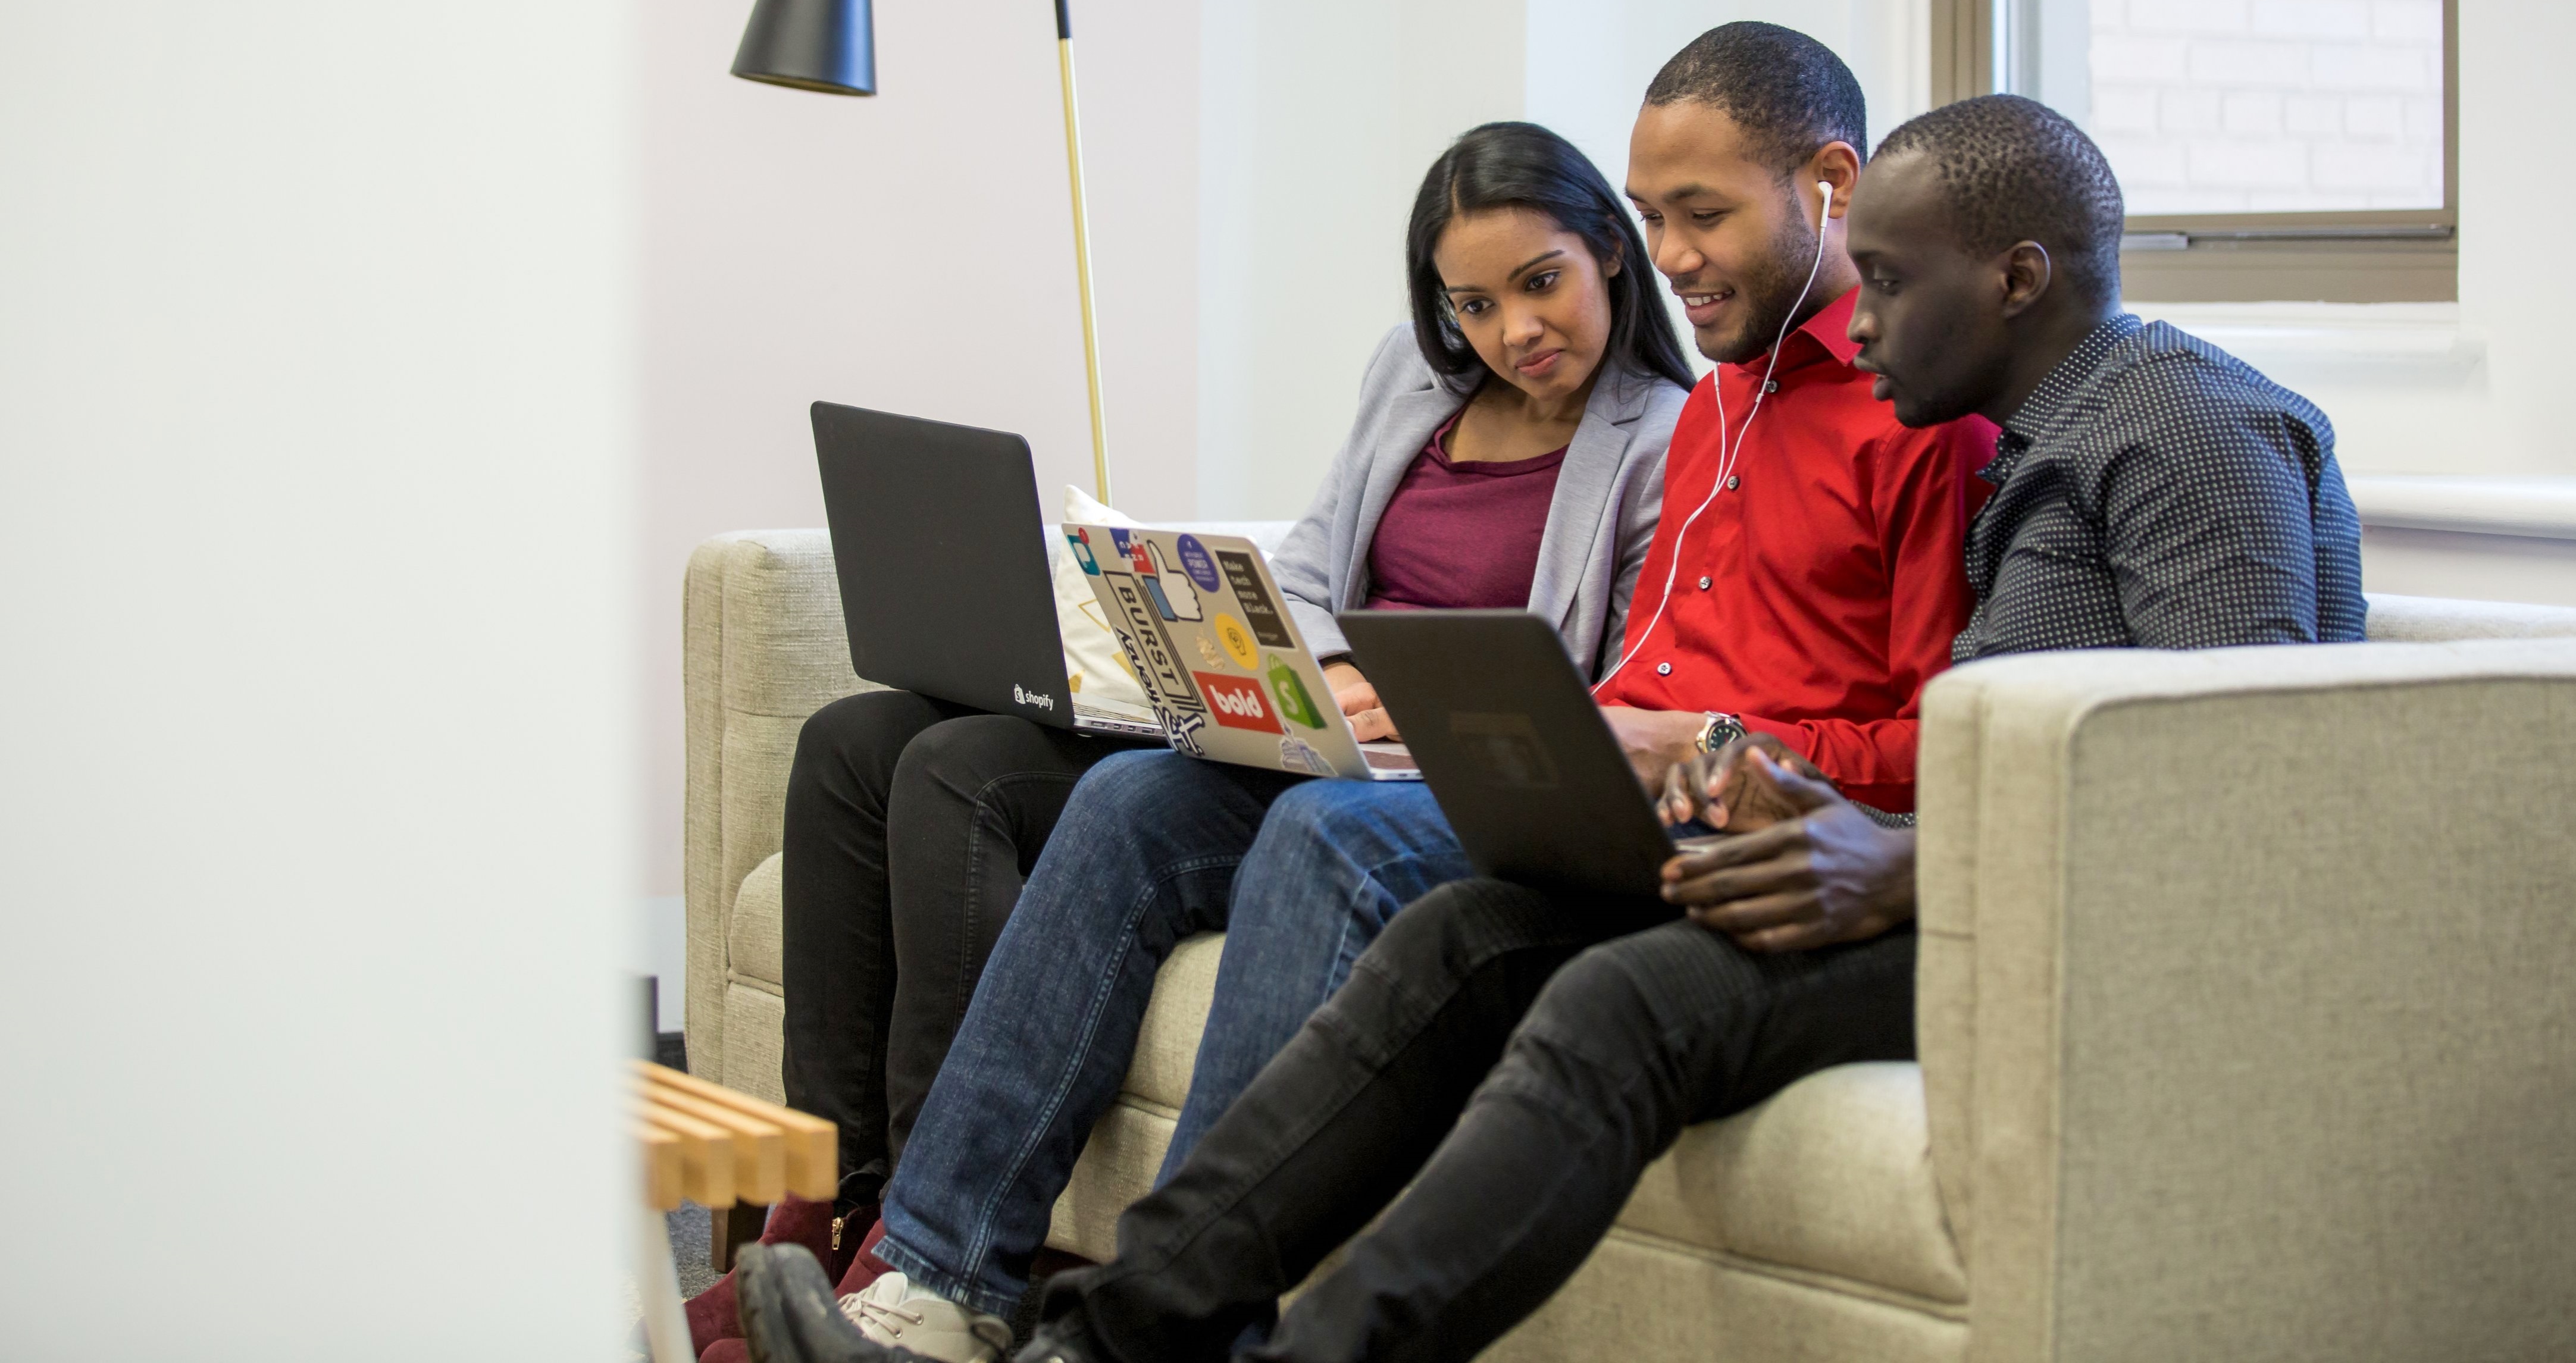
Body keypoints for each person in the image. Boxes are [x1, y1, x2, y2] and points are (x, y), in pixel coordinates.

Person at [790, 93, 2368, 1363]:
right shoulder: (2008, 431)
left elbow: (2213, 786)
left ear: (2015, 276)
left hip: (2000, 918)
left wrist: (1887, 859)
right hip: (1850, 848)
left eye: (1883, 281)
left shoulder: (2178, 422)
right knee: (1450, 935)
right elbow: (2000, 727)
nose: (1861, 319)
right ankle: (1112, 1326)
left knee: (1607, 1002)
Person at [707, 117, 1691, 1362]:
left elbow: (1615, 680)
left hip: (1455, 780)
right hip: (1339, 737)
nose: (1512, 331)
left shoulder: (1663, 434)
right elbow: (1315, 567)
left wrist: (1422, 703)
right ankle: (937, 1278)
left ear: (1608, 246)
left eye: (1538, 283)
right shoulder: (1412, 378)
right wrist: (1329, 667)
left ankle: (1154, 1317)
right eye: (1475, 302)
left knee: (1294, 824)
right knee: (1124, 797)